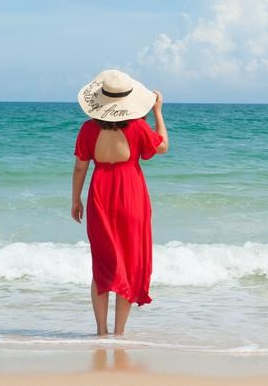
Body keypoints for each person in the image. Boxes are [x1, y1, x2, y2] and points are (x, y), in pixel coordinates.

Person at [71, 69, 168, 336]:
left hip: (100, 194)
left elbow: (80, 168)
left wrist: (75, 199)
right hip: (131, 196)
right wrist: (158, 112)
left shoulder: (88, 129)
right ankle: (119, 333)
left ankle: (101, 331)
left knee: (102, 264)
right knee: (127, 262)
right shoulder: (137, 127)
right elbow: (162, 146)